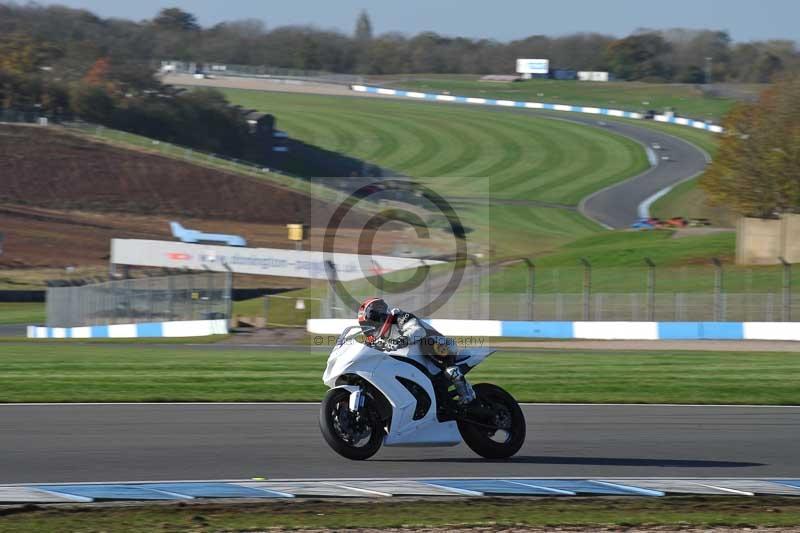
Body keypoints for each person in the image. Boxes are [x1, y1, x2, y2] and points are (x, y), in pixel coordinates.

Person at [357, 297, 475, 404]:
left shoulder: (400, 317)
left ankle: (464, 391)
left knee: (427, 345)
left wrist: (400, 340)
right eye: (365, 325)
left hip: (441, 346)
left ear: (379, 315)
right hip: (414, 362)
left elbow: (418, 331)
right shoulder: (377, 338)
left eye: (370, 322)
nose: (369, 327)